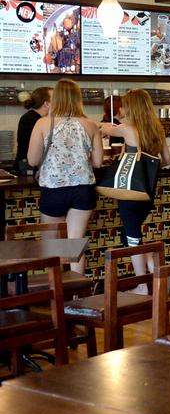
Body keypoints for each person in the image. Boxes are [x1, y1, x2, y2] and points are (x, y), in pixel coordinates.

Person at [27, 78, 104, 274]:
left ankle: (58, 296)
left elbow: (32, 160)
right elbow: (97, 162)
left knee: (53, 248)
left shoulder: (43, 123)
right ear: (78, 99)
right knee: (75, 246)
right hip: (83, 189)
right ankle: (77, 299)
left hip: (53, 190)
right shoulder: (91, 124)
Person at [100, 89, 170, 289]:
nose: (121, 107)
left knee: (132, 236)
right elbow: (166, 161)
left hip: (130, 190)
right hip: (148, 189)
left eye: (123, 104)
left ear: (130, 107)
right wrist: (146, 166)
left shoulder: (127, 128)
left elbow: (102, 128)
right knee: (129, 233)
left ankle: (142, 286)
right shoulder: (157, 129)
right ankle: (151, 264)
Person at [15, 86, 50, 174]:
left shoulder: (36, 118)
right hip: (28, 166)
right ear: (46, 104)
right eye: (55, 99)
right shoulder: (32, 119)